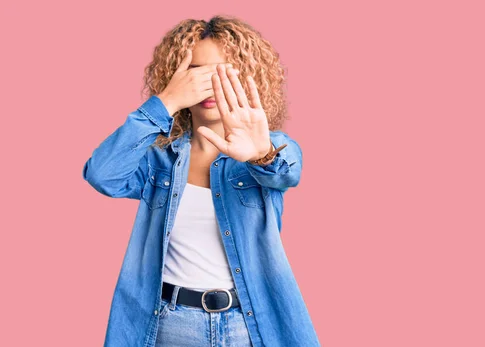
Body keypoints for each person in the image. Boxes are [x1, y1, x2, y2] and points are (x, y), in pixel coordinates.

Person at [82, 15, 321, 347]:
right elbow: (101, 174)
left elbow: (286, 172)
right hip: (169, 324)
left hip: (247, 325)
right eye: (196, 71)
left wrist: (261, 153)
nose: (211, 83)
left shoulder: (269, 148)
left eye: (225, 71)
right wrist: (164, 103)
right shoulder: (158, 159)